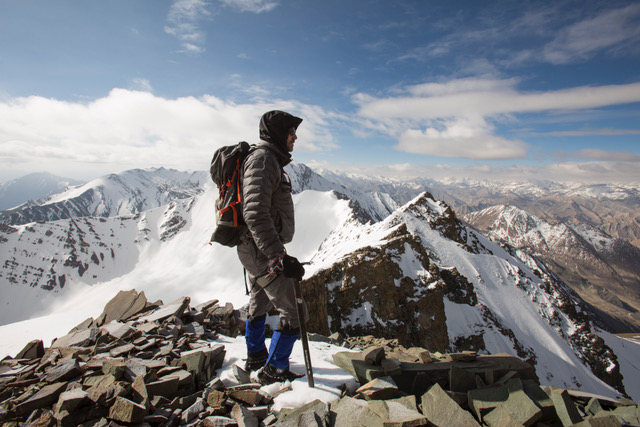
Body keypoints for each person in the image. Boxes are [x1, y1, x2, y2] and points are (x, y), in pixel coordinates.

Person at [238, 110, 307, 385]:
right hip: (261, 249)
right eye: (291, 132)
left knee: (261, 299)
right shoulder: (264, 160)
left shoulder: (269, 160)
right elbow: (254, 213)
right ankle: (274, 370)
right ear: (279, 134)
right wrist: (278, 255)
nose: (295, 137)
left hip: (255, 247)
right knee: (295, 310)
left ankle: (256, 354)